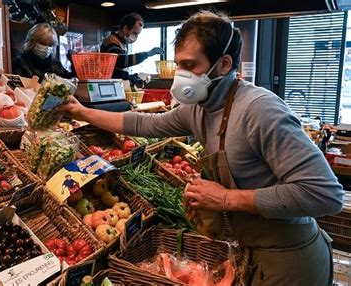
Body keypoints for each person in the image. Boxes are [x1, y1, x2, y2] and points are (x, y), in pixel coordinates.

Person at [59, 11, 344, 285]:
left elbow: (326, 195)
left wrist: (226, 199)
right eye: (178, 64)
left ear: (224, 64)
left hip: (290, 261)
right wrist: (82, 112)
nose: (180, 75)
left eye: (190, 66)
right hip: (250, 252)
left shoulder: (260, 111)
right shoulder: (199, 108)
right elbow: (144, 125)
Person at [101, 13, 164, 85]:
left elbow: (118, 69)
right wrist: (147, 54)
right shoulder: (111, 41)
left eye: (137, 34)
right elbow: (120, 61)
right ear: (125, 28)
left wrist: (130, 77)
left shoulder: (122, 44)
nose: (136, 36)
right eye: (134, 33)